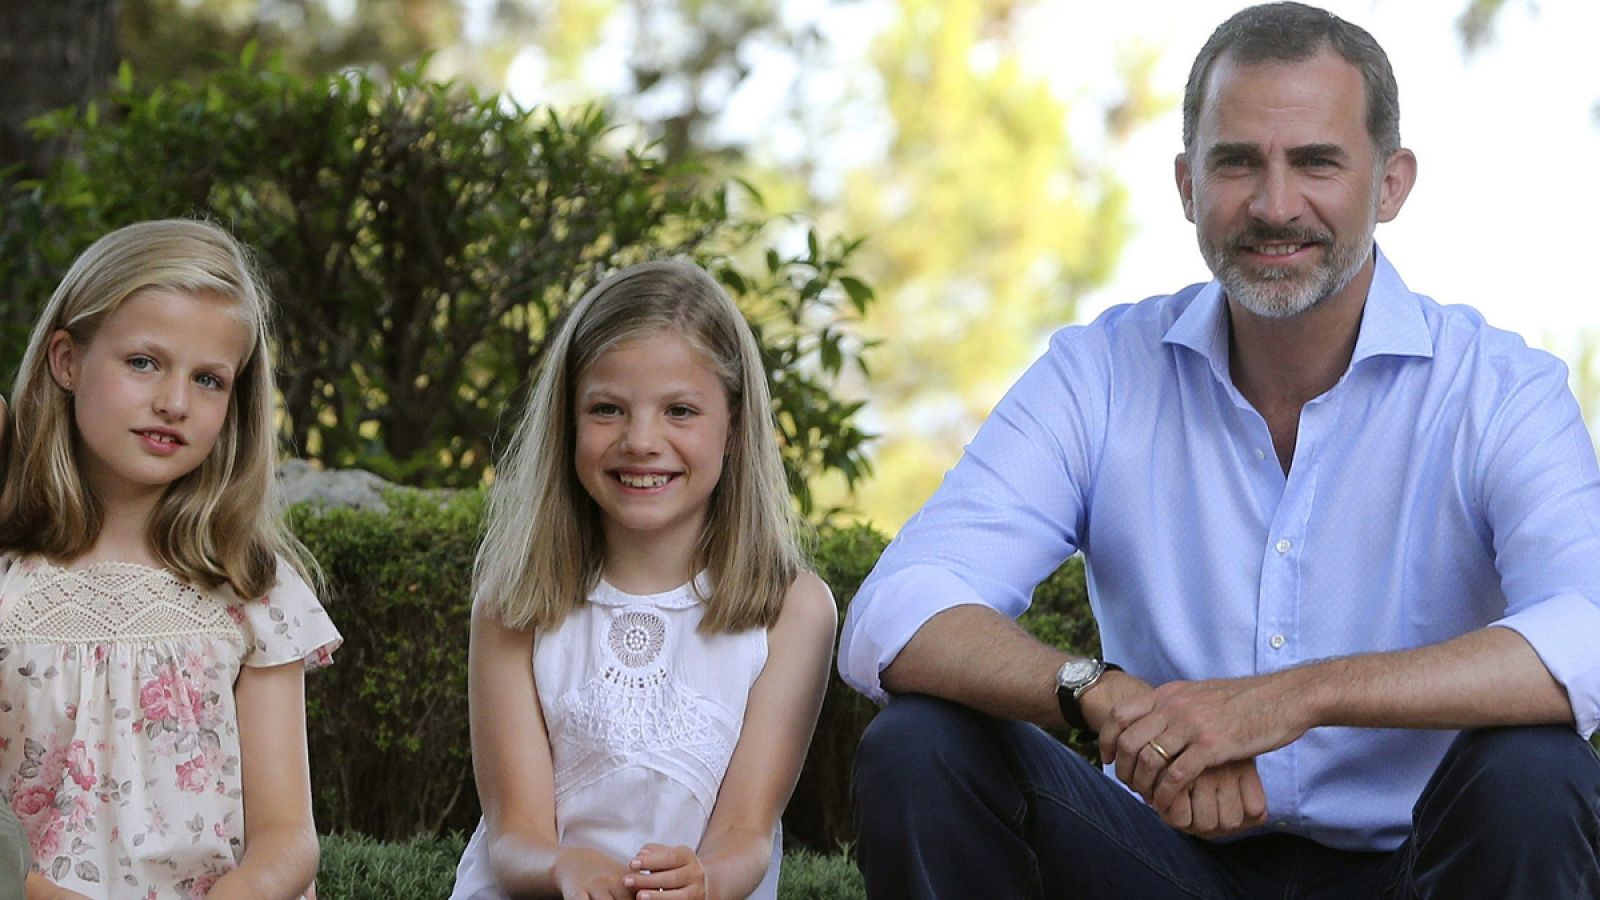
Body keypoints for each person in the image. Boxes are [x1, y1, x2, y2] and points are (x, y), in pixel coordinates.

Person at [838, 3, 1600, 897]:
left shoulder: (1501, 390)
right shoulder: (1101, 373)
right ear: (1186, 185)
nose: (1275, 206)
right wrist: (1106, 696)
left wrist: (1291, 699)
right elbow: (897, 612)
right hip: (1163, 863)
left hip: (1424, 867)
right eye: (1237, 162)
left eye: (1316, 161)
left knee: (1535, 776)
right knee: (921, 746)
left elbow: (1583, 630)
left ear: (1390, 184)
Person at [449, 259, 836, 900]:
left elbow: (746, 831)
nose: (641, 440)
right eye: (607, 410)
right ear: (568, 421)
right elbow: (515, 833)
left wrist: (704, 880)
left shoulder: (791, 611)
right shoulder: (513, 604)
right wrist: (564, 868)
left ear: (735, 424)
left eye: (680, 411)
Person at [0, 219, 341, 899]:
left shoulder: (252, 589)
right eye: (144, 362)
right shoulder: (10, 577)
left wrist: (246, 891)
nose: (175, 402)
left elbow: (288, 835)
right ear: (66, 361)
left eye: (210, 379)